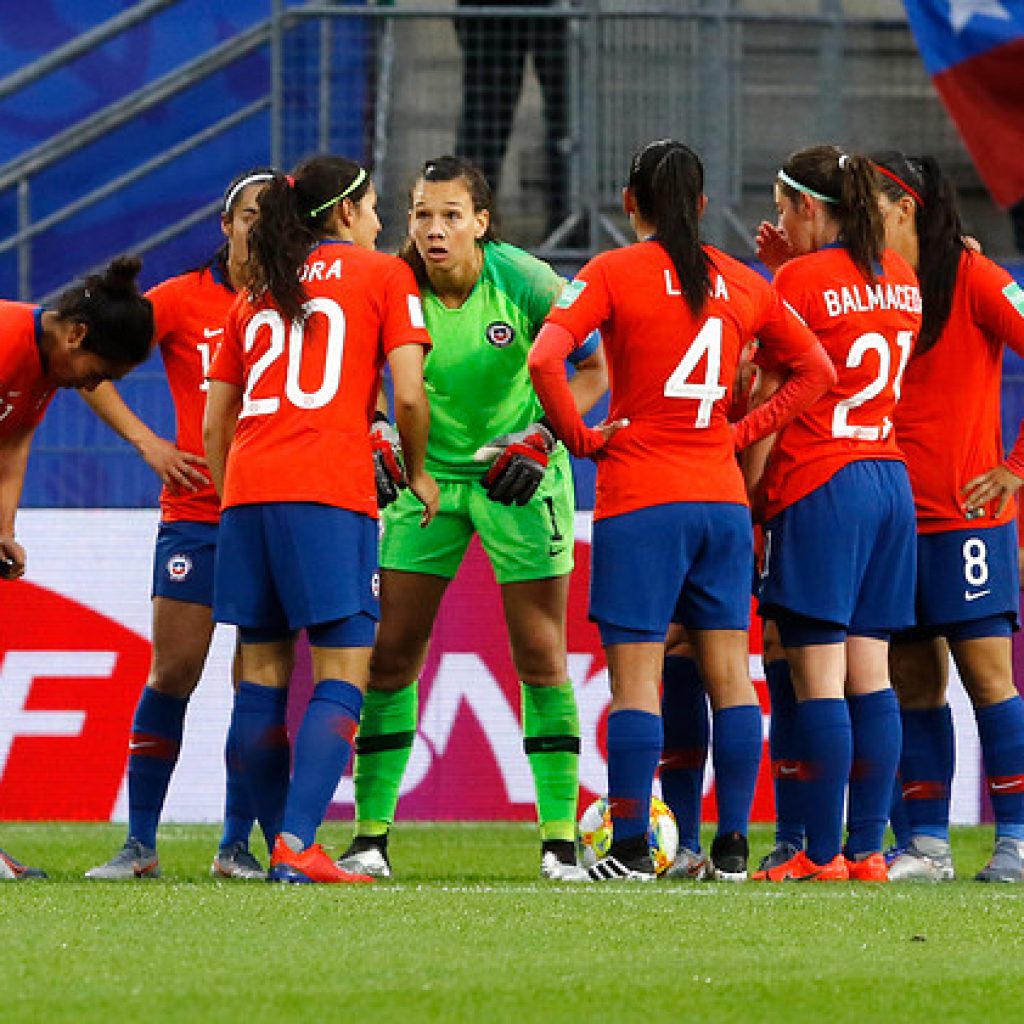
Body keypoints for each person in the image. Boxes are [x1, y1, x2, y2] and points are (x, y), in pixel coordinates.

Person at [529, 138, 835, 882]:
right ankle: (732, 847)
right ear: (701, 206)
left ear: (630, 202)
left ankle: (631, 848)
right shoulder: (743, 281)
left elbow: (545, 359)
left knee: (637, 682)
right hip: (721, 502)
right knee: (732, 678)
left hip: (643, 497)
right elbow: (815, 372)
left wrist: (579, 439)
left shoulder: (612, 271)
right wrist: (741, 432)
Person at [336, 154, 607, 883]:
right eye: (422, 213)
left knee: (540, 654)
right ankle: (369, 839)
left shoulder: (524, 278)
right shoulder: (392, 282)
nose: (433, 229)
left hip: (517, 479)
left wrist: (547, 436)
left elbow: (592, 369)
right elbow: (356, 377)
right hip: (424, 482)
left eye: (451, 215)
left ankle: (558, 843)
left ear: (481, 223)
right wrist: (374, 429)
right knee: (390, 653)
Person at [203, 156, 437, 885]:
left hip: (248, 490)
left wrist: (231, 494)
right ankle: (299, 845)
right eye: (371, 207)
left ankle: (278, 840)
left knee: (263, 676)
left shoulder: (255, 293)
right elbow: (407, 398)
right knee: (343, 673)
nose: (378, 221)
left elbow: (216, 421)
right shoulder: (384, 276)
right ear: (343, 213)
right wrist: (419, 468)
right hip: (328, 492)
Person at [83, 168, 278, 882]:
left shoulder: (298, 303)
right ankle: (139, 845)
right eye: (248, 214)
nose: (259, 225)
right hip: (196, 513)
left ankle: (235, 847)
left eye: (272, 214)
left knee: (257, 681)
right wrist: (150, 444)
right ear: (224, 226)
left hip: (267, 511)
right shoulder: (180, 299)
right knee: (174, 670)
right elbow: (90, 362)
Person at [749, 145, 921, 882]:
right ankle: (869, 852)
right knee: (871, 675)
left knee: (817, 676)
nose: (780, 222)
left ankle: (818, 854)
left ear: (808, 209)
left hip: (823, 480)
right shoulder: (904, 276)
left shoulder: (798, 278)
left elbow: (773, 386)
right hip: (889, 479)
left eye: (786, 207)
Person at [872, 152, 1024, 883]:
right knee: (913, 682)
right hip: (893, 519)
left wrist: (1016, 468)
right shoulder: (870, 287)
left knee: (988, 676)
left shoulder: (975, 278)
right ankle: (927, 845)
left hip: (966, 518)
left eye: (865, 202)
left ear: (905, 206)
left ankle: (1018, 841)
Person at [0, 254, 154, 880]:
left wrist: (4, 527)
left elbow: (11, 441)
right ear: (76, 335)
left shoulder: (41, 368)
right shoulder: (5, 338)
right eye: (99, 372)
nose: (93, 386)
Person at [455, 0, 573, 241]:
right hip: (490, 16)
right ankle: (470, 218)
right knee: (485, 119)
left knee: (567, 118)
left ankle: (567, 221)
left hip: (550, 10)